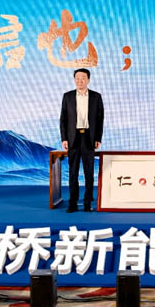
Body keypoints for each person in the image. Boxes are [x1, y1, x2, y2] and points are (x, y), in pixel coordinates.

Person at [60, 68, 104, 213]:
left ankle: (87, 203)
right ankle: (72, 203)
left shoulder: (96, 97)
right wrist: (64, 138)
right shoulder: (68, 96)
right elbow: (63, 119)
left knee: (89, 172)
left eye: (83, 78)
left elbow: (100, 119)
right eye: (77, 78)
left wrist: (98, 138)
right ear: (74, 80)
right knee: (73, 172)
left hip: (89, 138)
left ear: (88, 80)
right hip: (73, 138)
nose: (80, 81)